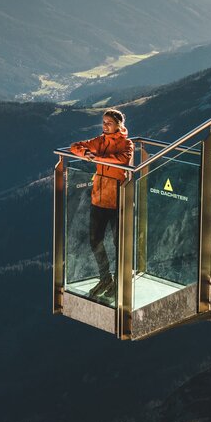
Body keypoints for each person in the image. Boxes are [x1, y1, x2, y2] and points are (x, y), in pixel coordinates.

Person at [69, 109, 133, 300]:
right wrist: (86, 152)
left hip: (117, 201)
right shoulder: (100, 141)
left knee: (118, 243)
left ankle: (121, 281)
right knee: (95, 240)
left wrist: (95, 158)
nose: (105, 126)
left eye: (109, 123)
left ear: (119, 125)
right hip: (98, 199)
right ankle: (106, 278)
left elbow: (120, 161)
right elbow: (75, 146)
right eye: (103, 122)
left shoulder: (126, 144)